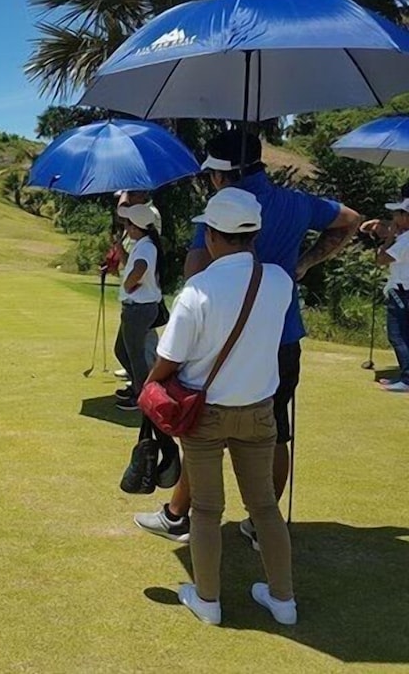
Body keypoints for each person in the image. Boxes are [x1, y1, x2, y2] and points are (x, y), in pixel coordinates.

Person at [135, 129, 361, 545]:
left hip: (218, 339)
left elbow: (194, 274)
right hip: (281, 335)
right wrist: (306, 262)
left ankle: (179, 516)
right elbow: (349, 219)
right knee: (274, 430)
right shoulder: (295, 202)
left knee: (202, 426)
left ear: (223, 174)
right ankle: (261, 523)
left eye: (212, 174)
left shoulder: (218, 210)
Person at [150, 188, 296, 626]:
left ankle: (208, 600)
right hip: (259, 410)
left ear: (212, 235)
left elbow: (169, 358)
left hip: (206, 414)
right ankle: (283, 601)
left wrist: (151, 385)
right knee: (265, 507)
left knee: (207, 510)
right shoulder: (279, 281)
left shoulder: (198, 290)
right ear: (254, 234)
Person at [113, 203, 163, 412]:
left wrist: (128, 284)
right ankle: (137, 386)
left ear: (135, 227)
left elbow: (140, 267)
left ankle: (141, 395)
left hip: (139, 309)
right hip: (138, 308)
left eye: (127, 224)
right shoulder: (144, 244)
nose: (125, 228)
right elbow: (133, 264)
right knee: (122, 350)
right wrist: (120, 249)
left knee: (135, 355)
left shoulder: (146, 247)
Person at [361, 196, 409, 391]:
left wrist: (389, 237)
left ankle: (407, 380)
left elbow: (381, 259)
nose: (394, 217)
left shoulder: (405, 241)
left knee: (398, 335)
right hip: (404, 291)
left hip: (402, 292)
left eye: (397, 214)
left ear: (405, 217)